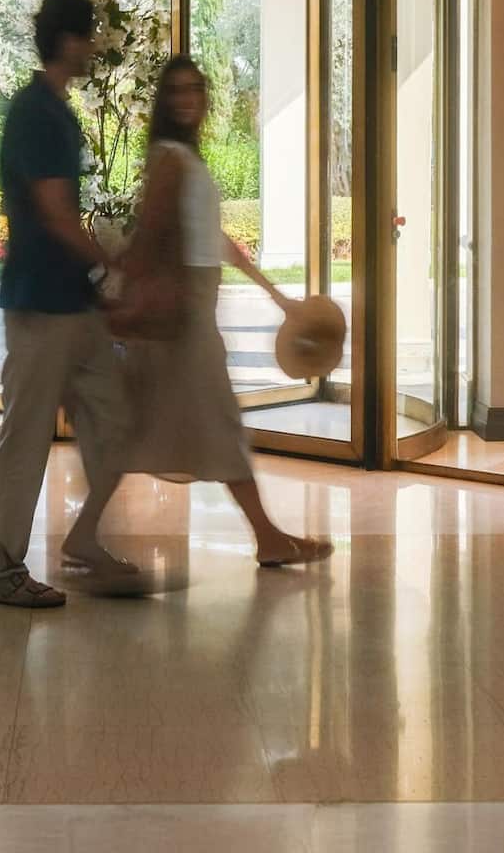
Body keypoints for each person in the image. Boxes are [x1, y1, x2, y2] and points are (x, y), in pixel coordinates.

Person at [96, 55, 332, 568]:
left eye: (196, 89)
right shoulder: (170, 159)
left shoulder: (185, 158)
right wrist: (120, 294)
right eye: (177, 90)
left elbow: (219, 241)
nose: (188, 99)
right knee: (218, 424)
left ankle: (81, 534)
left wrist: (277, 296)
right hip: (183, 315)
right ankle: (267, 537)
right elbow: (151, 235)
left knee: (146, 427)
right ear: (165, 100)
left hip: (193, 309)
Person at [0, 0, 133, 608]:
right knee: (27, 432)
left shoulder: (53, 111)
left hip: (71, 304)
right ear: (68, 40)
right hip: (41, 304)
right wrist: (110, 260)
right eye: (88, 35)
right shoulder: (37, 113)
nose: (95, 46)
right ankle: (0, 566)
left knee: (115, 417)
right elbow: (56, 215)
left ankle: (87, 537)